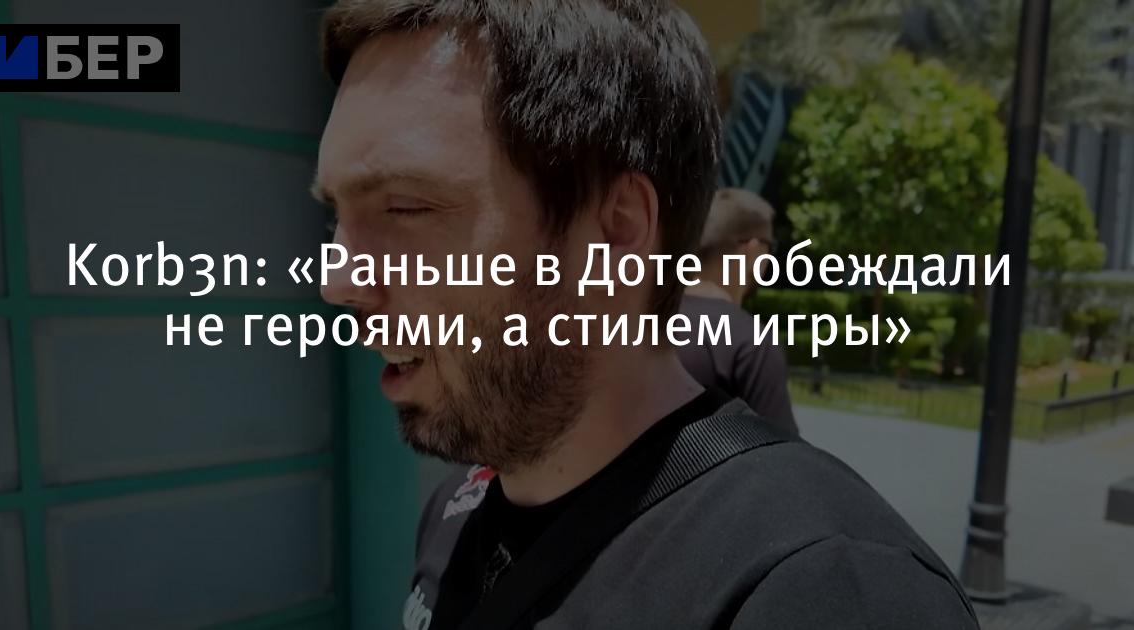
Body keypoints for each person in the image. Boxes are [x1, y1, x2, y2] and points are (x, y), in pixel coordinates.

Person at [314, 1, 979, 629]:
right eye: (336, 217)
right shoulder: (454, 516)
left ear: (618, 228)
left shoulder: (826, 589)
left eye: (406, 208)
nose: (337, 282)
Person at [678, 188, 798, 435]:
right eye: (770, 246)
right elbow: (780, 451)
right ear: (753, 249)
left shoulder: (640, 320)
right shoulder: (750, 341)